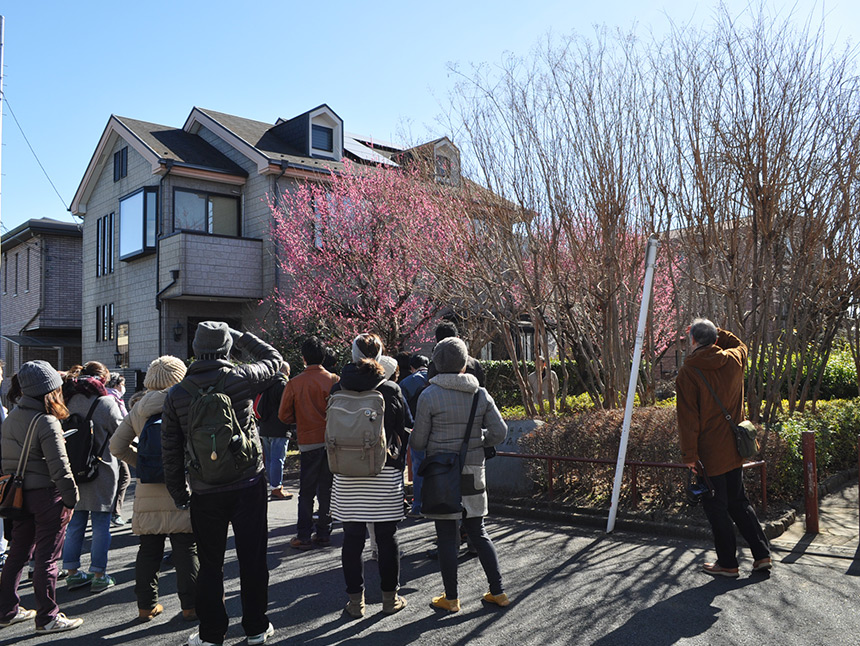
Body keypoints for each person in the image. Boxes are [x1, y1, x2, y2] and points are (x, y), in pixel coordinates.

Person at [162, 322, 282, 646]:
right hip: (247, 482)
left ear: (195, 350)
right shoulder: (240, 379)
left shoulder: (177, 394)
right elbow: (275, 360)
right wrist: (242, 336)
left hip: (204, 489)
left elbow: (170, 449)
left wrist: (179, 491)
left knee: (210, 564)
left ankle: (211, 635)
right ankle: (256, 627)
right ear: (227, 349)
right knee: (252, 558)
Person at [411, 337, 509, 612]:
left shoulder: (429, 395)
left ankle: (451, 598)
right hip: (473, 471)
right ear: (465, 364)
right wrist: (479, 440)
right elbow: (500, 433)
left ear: (437, 364)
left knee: (445, 536)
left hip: (442, 474)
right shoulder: (481, 394)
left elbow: (418, 442)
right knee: (478, 530)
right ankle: (498, 592)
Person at [675, 319, 771, 577]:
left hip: (709, 454)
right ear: (716, 339)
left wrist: (689, 455)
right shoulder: (733, 359)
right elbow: (740, 344)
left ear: (692, 340)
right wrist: (717, 333)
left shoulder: (688, 372)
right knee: (739, 502)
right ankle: (762, 555)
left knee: (717, 507)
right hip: (735, 447)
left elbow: (688, 419)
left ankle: (728, 563)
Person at [109, 356, 199, 622]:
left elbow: (116, 447)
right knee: (187, 550)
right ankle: (190, 607)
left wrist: (144, 464)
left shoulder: (139, 408)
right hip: (182, 486)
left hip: (148, 492)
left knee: (149, 551)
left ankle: (146, 607)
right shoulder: (186, 403)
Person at [0, 361, 83, 632]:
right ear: (50, 390)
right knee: (47, 558)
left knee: (18, 553)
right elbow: (60, 466)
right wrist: (72, 498)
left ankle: (7, 609)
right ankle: (48, 617)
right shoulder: (46, 421)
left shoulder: (12, 416)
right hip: (48, 496)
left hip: (19, 497)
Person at [330, 334, 409, 618]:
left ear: (352, 355)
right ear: (379, 356)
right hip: (383, 471)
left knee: (352, 538)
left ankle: (355, 603)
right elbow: (404, 429)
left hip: (347, 472)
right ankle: (389, 600)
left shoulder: (337, 387)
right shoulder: (390, 389)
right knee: (386, 538)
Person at [61, 363, 124, 594]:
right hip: (101, 469)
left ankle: (72, 573)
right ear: (100, 381)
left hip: (71, 469)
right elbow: (121, 433)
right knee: (100, 524)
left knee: (75, 523)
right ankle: (99, 574)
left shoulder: (65, 401)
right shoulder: (105, 402)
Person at [278, 336, 340, 550]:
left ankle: (303, 534)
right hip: (331, 440)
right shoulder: (333, 380)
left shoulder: (294, 383)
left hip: (308, 441)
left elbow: (284, 415)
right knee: (327, 489)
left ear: (303, 358)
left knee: (306, 491)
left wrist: (300, 418)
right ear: (324, 356)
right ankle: (324, 532)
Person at [255, 361, 294, 500]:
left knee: (270, 459)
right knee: (278, 459)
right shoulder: (282, 385)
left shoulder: (265, 383)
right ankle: (276, 487)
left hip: (264, 426)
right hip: (279, 427)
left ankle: (273, 485)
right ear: (285, 371)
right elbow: (287, 406)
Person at [400, 355, 430, 517]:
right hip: (436, 429)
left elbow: (403, 410)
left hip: (416, 429)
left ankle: (418, 506)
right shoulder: (436, 378)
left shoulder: (406, 383)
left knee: (418, 467)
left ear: (412, 367)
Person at [105, 372, 131, 527]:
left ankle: (112, 511)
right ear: (115, 385)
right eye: (122, 384)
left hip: (106, 445)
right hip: (115, 444)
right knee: (124, 477)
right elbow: (120, 424)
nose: (124, 387)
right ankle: (114, 512)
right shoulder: (113, 400)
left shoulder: (109, 397)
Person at [426, 321, 485, 386]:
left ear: (437, 342)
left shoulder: (434, 365)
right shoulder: (474, 364)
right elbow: (481, 388)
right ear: (457, 338)